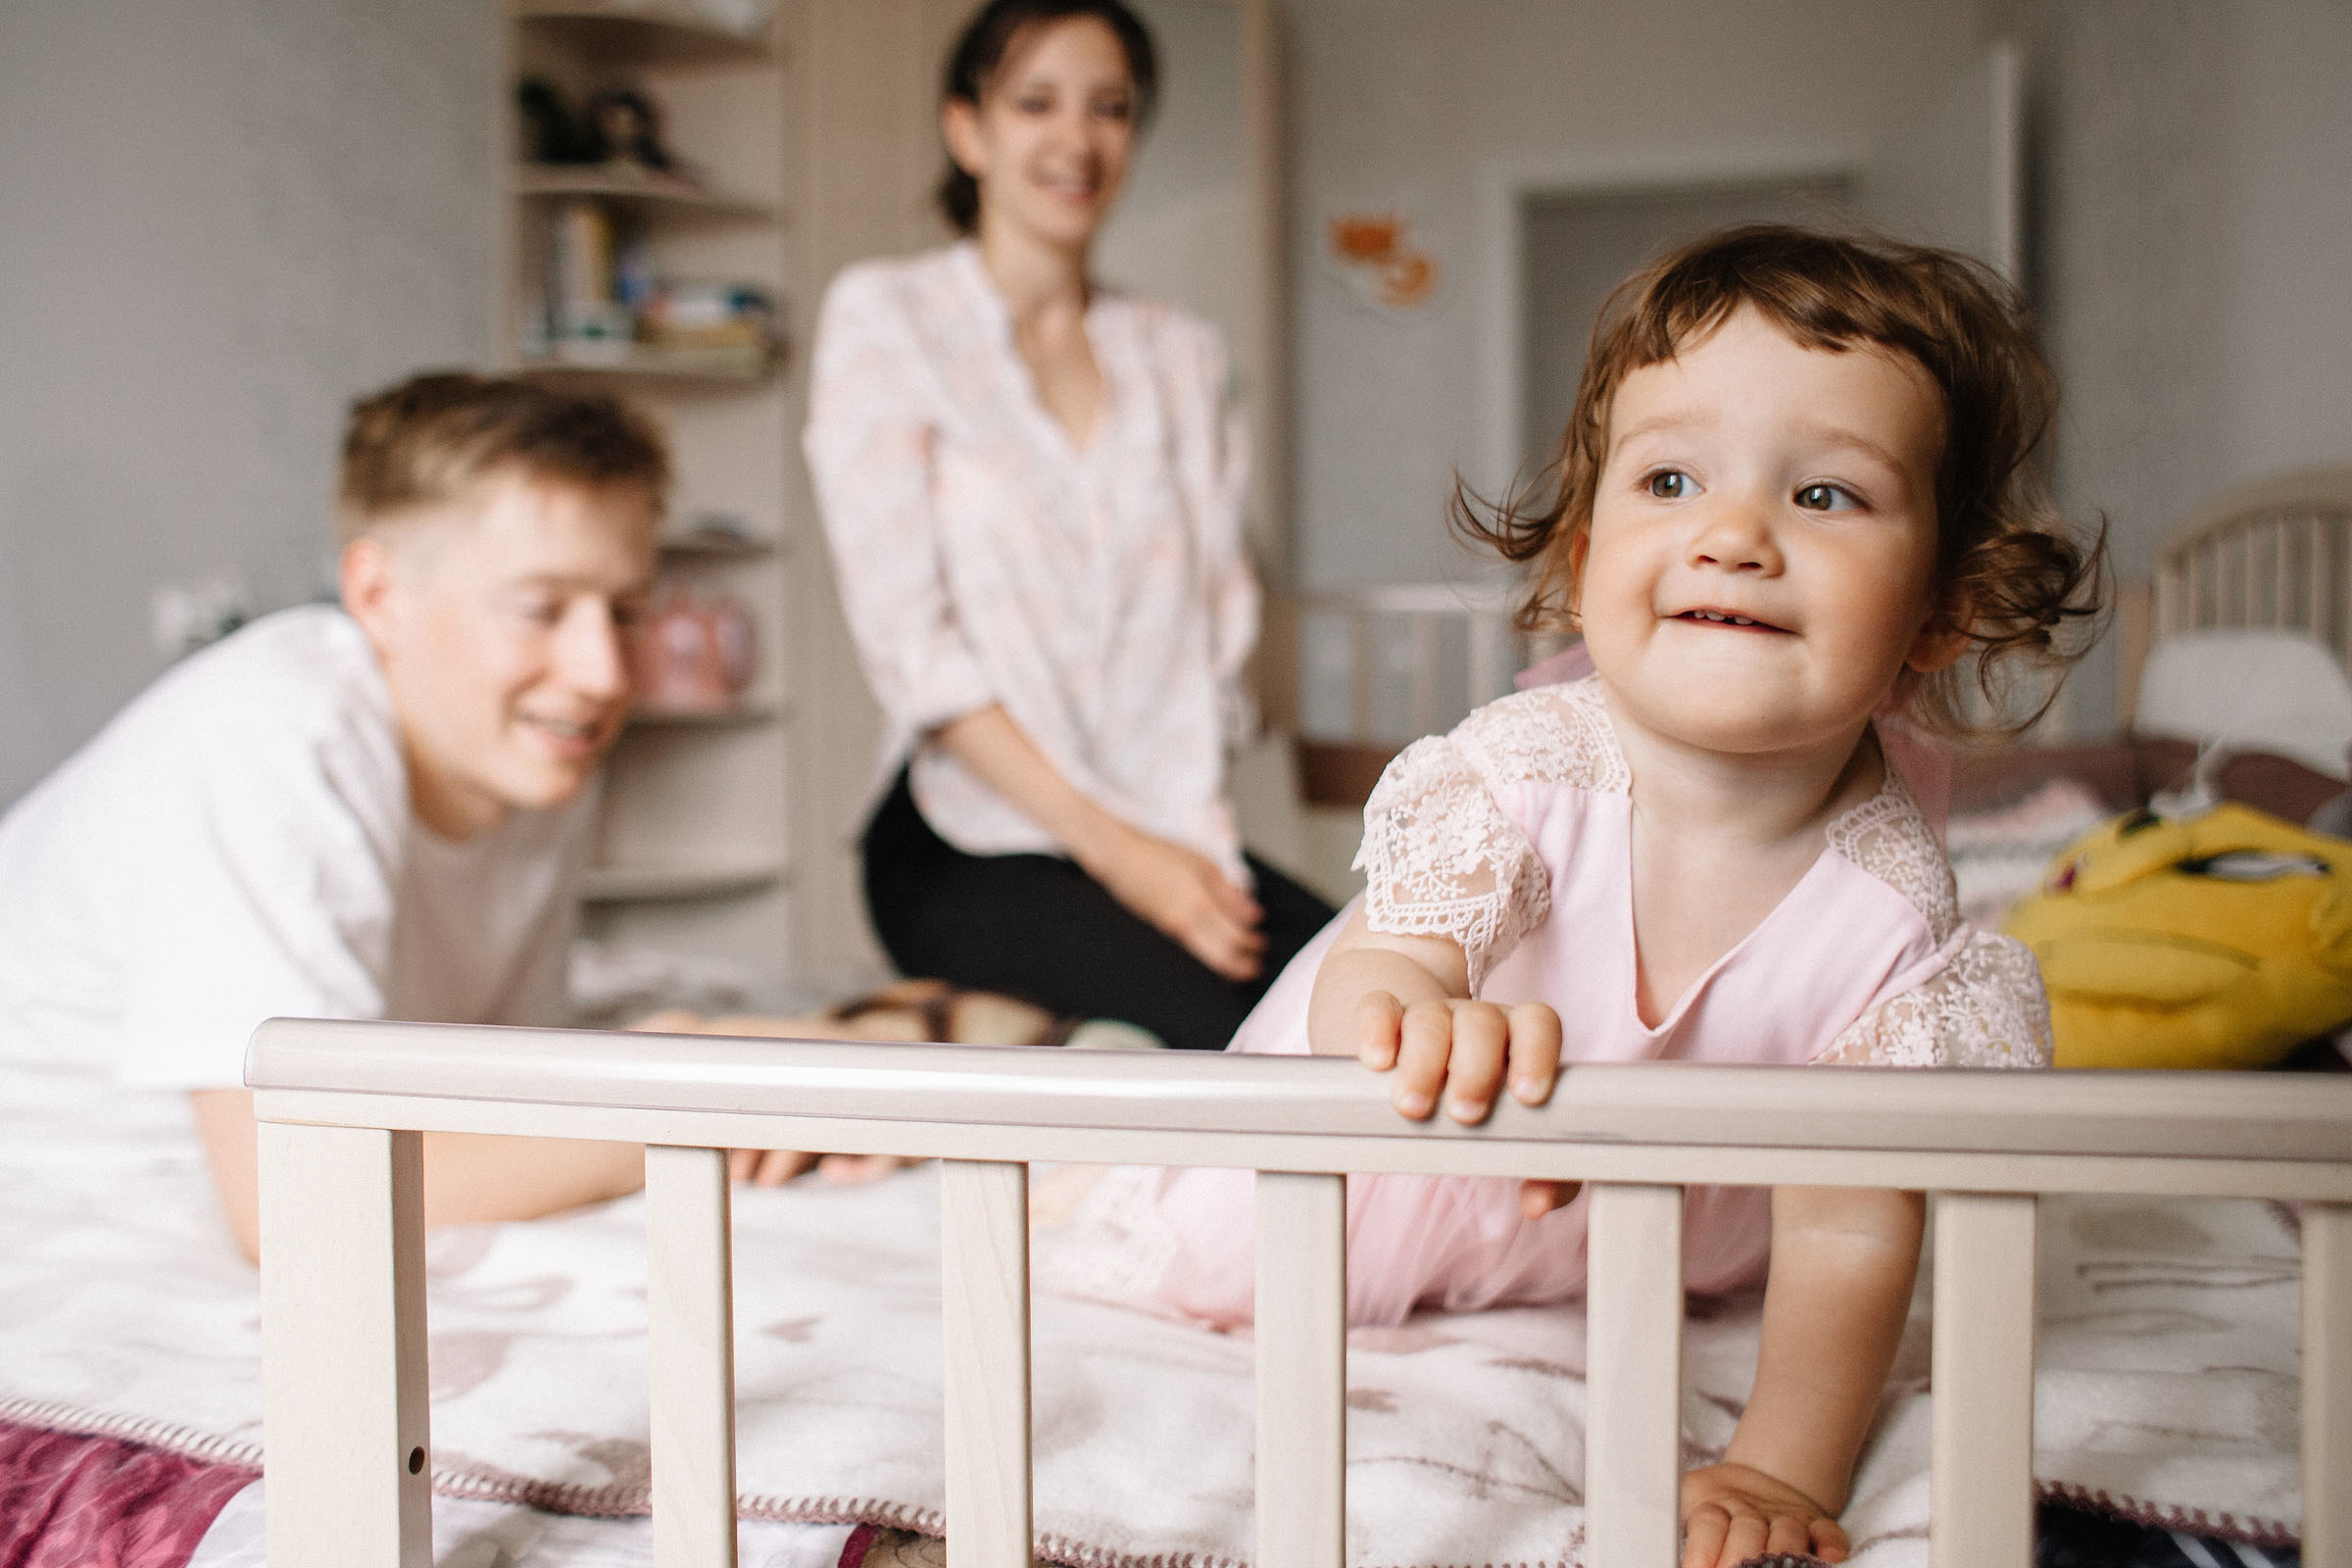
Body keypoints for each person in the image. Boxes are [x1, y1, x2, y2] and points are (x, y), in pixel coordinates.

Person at [1038, 224, 2105, 1565]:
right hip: (1362, 1198)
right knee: (1116, 1212)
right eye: (1672, 478)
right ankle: (1064, 1107)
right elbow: (1377, 962)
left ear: (1943, 608)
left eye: (1825, 496)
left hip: (1626, 1253)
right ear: (1588, 555)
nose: (1733, 535)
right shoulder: (1523, 775)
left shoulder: (1895, 920)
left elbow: (1844, 1225)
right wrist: (1425, 1010)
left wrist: (1778, 1470)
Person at [0, 372, 667, 1259]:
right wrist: (686, 1115)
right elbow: (295, 1201)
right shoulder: (270, 736)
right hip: (61, 1176)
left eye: (627, 612)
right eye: (540, 610)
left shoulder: (533, 756)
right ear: (379, 597)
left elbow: (500, 1082)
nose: (605, 673)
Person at [802, 0, 1333, 1056]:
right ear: (969, 129)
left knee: (1372, 994)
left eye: (1111, 109)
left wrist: (1173, 851)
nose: (1076, 140)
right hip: (968, 834)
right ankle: (952, 1008)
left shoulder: (1181, 354)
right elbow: (918, 655)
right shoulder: (887, 320)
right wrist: (1122, 857)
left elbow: (1218, 626)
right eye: (1035, 102)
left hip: (1163, 819)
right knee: (1268, 1045)